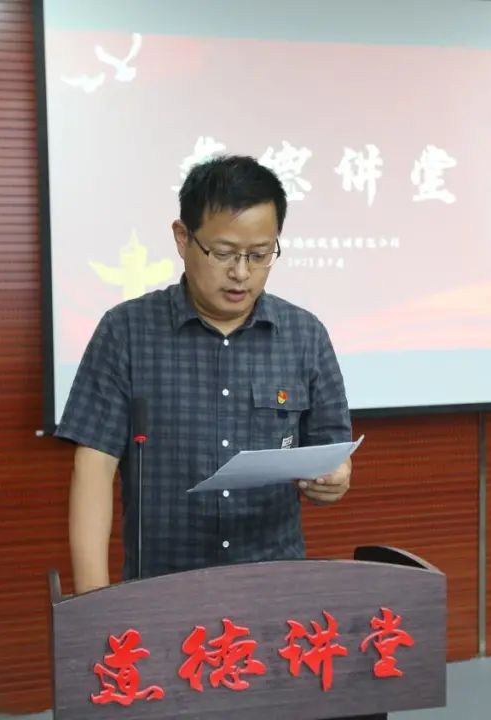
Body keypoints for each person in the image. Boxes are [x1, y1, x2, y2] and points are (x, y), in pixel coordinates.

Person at [56, 155, 352, 593]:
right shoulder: (125, 332)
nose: (241, 273)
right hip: (161, 589)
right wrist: (94, 605)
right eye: (224, 253)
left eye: (259, 255)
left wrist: (334, 480)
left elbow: (332, 453)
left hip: (274, 590)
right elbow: (93, 469)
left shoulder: (305, 335)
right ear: (183, 238)